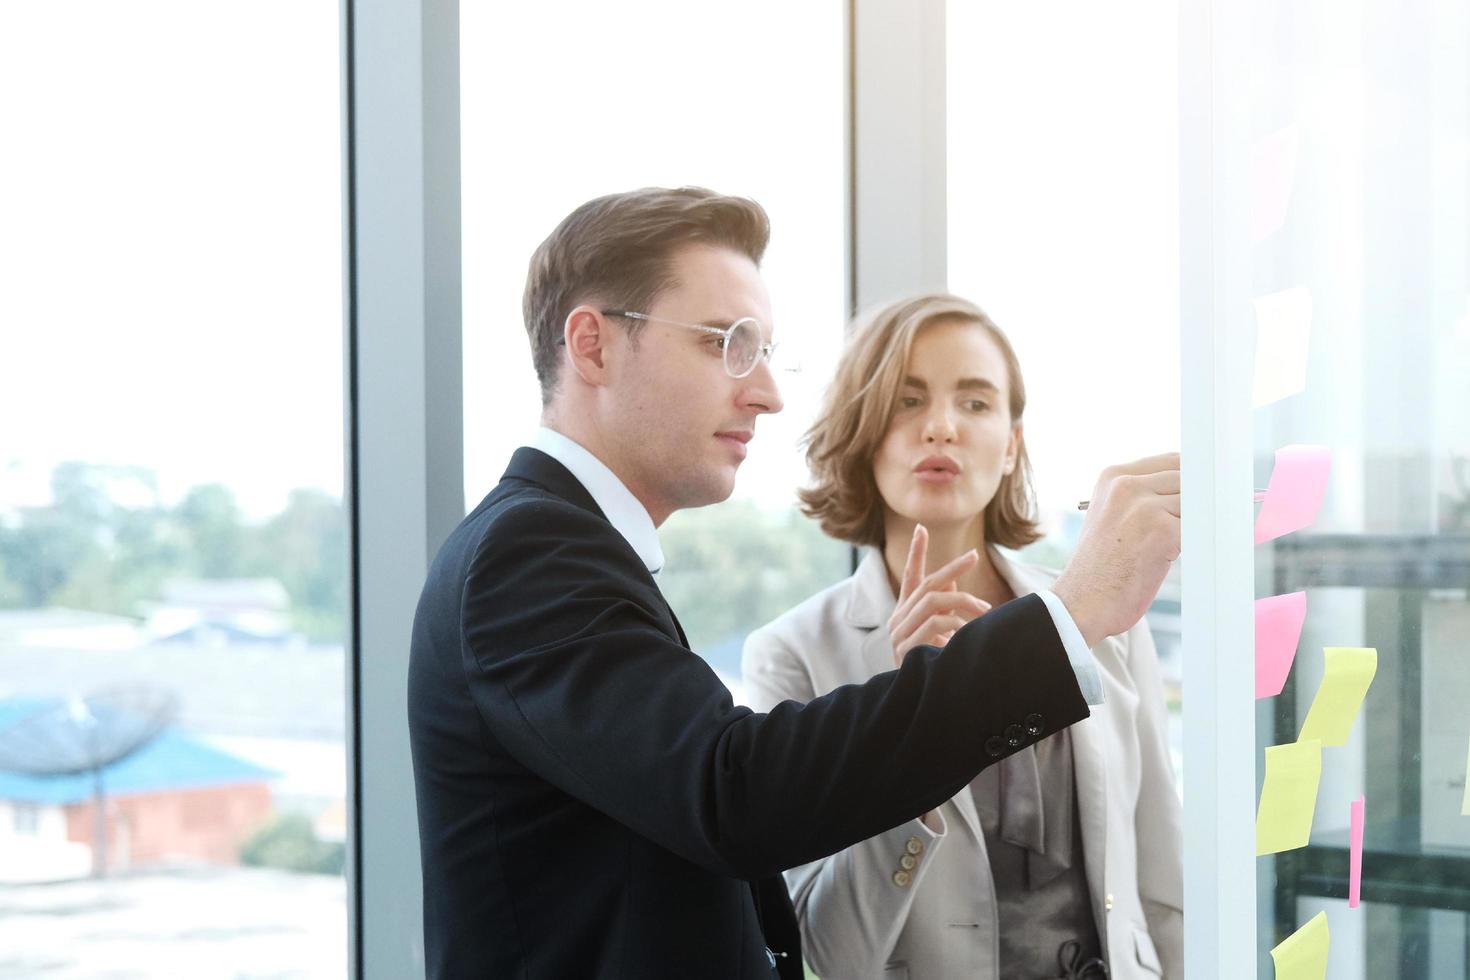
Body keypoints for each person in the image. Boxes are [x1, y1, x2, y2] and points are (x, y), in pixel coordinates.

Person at [407, 187, 1181, 979]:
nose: (767, 393)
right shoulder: (530, 552)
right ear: (594, 346)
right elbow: (733, 794)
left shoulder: (564, 548)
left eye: (765, 352)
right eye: (725, 343)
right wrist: (1070, 615)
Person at [742, 294, 1183, 980]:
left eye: (975, 403)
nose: (941, 427)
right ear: (865, 432)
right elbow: (827, 953)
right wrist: (910, 720)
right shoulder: (794, 656)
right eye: (907, 401)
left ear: (1011, 446)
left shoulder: (1106, 621)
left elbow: (1163, 884)